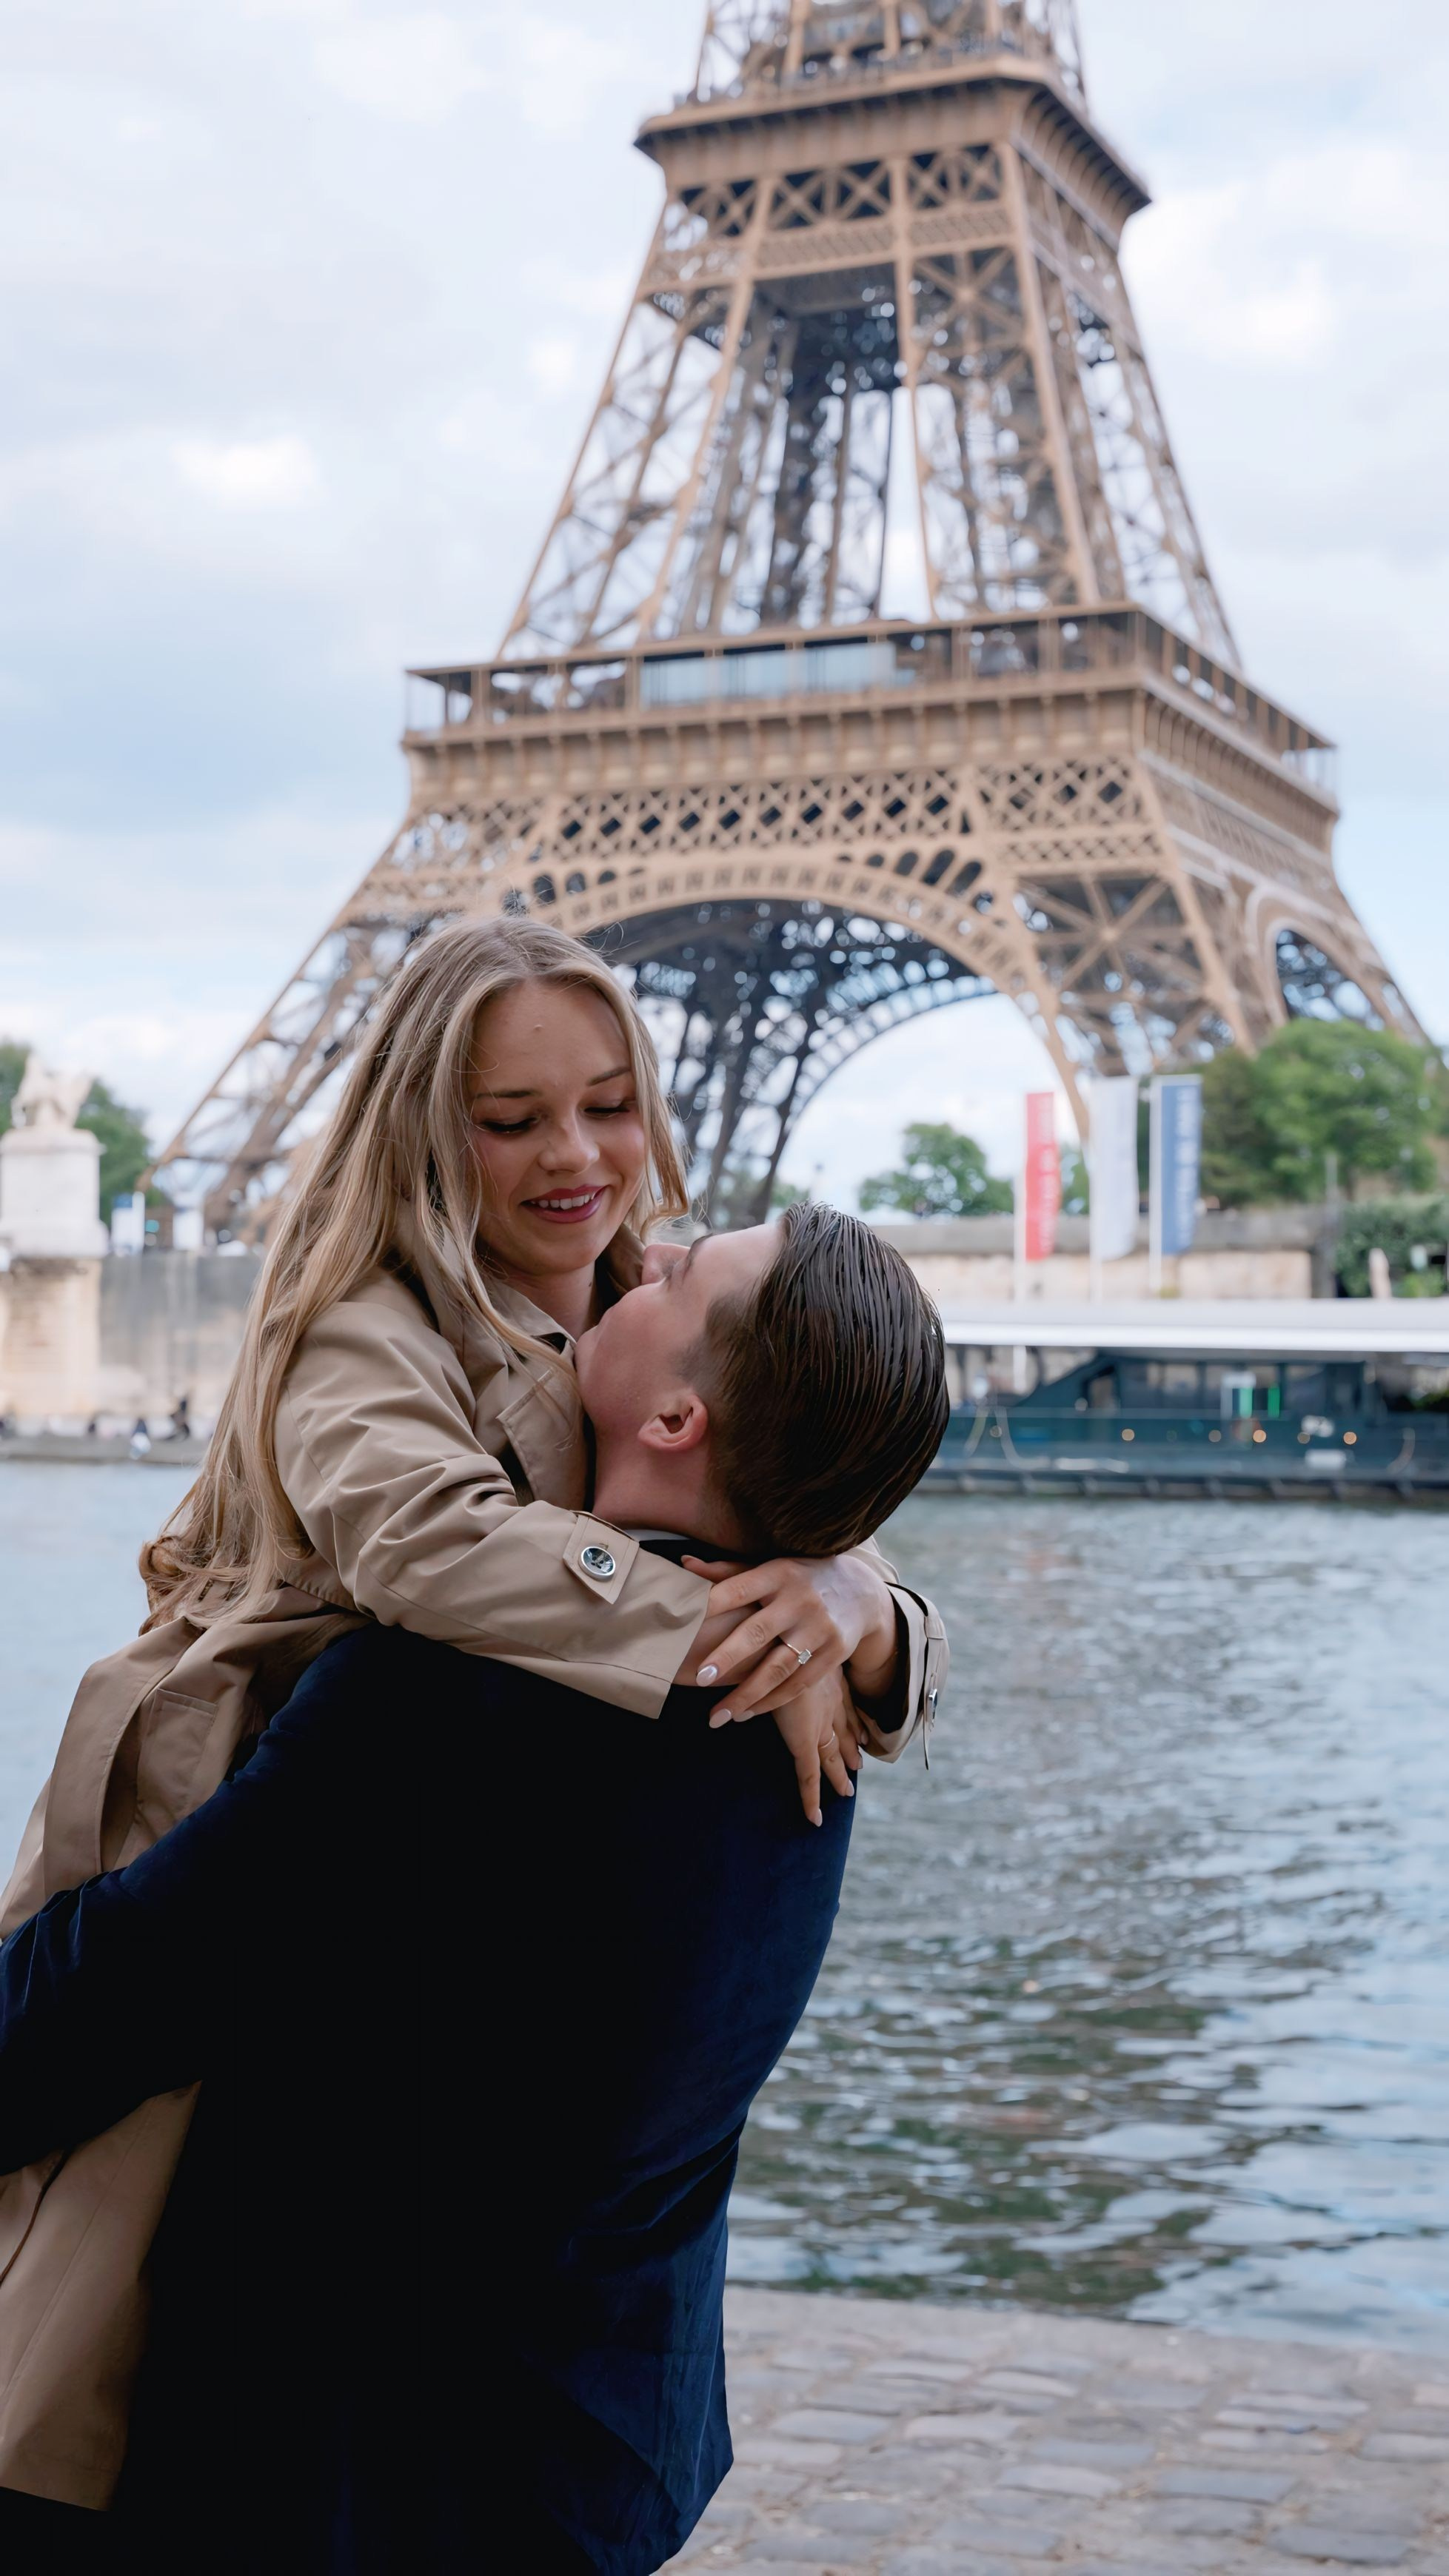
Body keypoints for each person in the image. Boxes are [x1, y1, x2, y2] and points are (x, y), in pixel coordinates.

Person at [0, 920, 946, 2515]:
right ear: (425, 1131)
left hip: (389, 2224)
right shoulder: (367, 1324)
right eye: (510, 1121)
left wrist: (863, 1602)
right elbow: (427, 1548)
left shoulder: (656, 1319)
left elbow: (797, 1428)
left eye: (607, 1103)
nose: (582, 1163)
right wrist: (733, 1612)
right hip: (270, 1810)